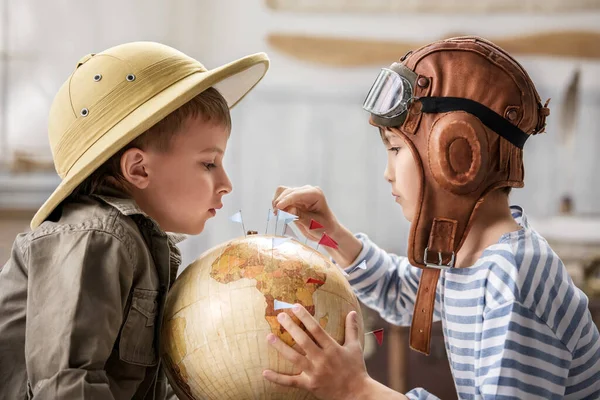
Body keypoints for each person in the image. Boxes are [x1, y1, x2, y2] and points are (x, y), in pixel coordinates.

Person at [264, 36, 600, 399]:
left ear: (456, 156)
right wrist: (329, 233)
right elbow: (396, 290)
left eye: (395, 149)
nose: (387, 173)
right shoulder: (462, 258)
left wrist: (355, 389)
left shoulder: (512, 278)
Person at [0, 41, 269, 399]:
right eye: (209, 163)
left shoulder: (139, 244)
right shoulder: (95, 237)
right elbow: (66, 384)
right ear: (139, 169)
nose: (226, 184)